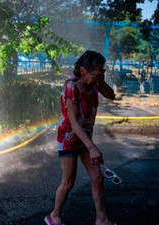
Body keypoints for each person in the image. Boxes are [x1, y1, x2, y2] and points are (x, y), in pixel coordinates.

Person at [45, 50, 116, 225]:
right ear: (83, 70)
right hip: (69, 138)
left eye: (101, 73)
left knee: (97, 178)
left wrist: (101, 80)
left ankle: (101, 219)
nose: (97, 77)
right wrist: (92, 147)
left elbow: (112, 95)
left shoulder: (94, 84)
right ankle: (54, 216)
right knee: (69, 181)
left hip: (85, 139)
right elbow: (74, 122)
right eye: (96, 73)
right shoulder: (71, 86)